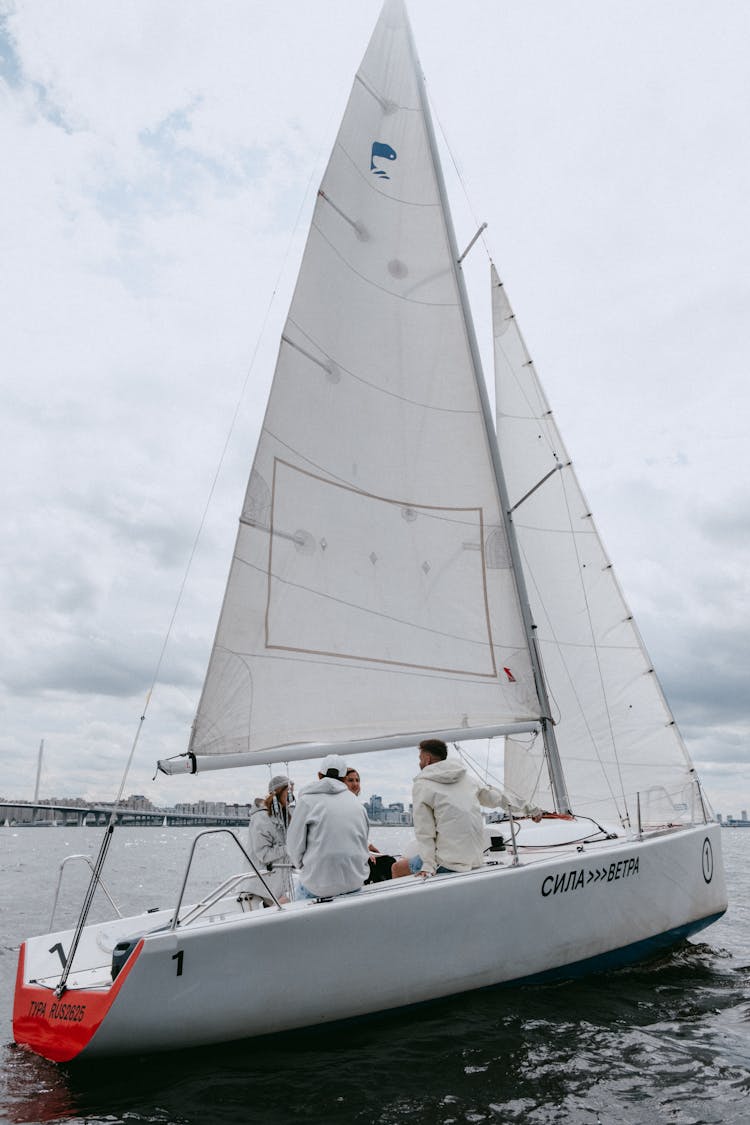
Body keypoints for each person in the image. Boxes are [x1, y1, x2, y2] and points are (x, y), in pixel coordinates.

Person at [391, 739, 542, 879]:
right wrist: (531, 809)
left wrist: (428, 866)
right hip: (475, 860)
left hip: (447, 863)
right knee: (411, 859)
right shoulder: (468, 779)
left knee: (397, 867)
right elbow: (498, 798)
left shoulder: (422, 785)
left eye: (420, 758)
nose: (420, 762)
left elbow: (425, 831)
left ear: (427, 759)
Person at [286, 754, 370, 899]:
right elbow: (363, 839)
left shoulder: (306, 801)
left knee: (292, 897)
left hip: (319, 887)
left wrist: (305, 868)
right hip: (354, 883)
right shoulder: (357, 805)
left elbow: (293, 845)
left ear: (320, 775)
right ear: (344, 778)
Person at [343, 767, 395, 884]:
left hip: (357, 850)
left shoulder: (355, 805)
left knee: (388, 861)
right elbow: (345, 834)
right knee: (381, 865)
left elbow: (356, 833)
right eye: (350, 780)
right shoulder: (343, 807)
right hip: (348, 855)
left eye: (357, 780)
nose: (355, 784)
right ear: (342, 783)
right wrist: (364, 851)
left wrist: (368, 845)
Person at [247, 774, 294, 901]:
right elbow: (264, 854)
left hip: (277, 888)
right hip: (261, 890)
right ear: (279, 792)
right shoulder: (261, 818)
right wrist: (290, 848)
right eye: (289, 793)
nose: (291, 798)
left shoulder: (283, 816)